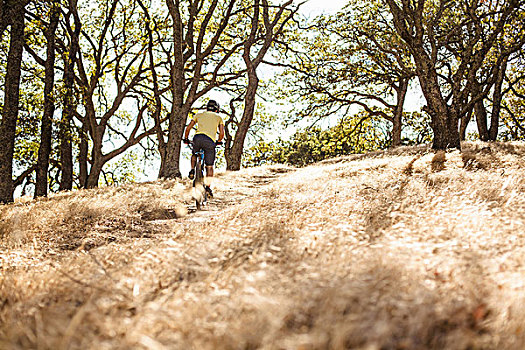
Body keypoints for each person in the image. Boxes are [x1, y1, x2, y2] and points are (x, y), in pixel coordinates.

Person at [183, 99, 225, 197]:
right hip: (209, 141)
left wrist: (186, 138)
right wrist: (218, 141)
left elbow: (188, 128)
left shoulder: (199, 115)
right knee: (209, 166)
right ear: (216, 109)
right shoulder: (219, 117)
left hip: (197, 138)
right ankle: (208, 187)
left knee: (194, 154)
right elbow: (222, 133)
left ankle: (193, 169)